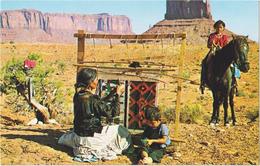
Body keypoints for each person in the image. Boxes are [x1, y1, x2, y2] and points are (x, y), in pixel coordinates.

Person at [58, 68, 132, 162]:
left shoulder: (78, 95)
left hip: (78, 137)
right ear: (90, 82)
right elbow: (114, 113)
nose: (97, 81)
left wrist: (112, 93)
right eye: (96, 79)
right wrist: (117, 94)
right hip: (91, 140)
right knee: (120, 129)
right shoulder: (92, 99)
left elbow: (99, 104)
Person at [200, 20, 230, 94]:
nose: (219, 29)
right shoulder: (212, 36)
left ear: (223, 28)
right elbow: (208, 45)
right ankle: (203, 82)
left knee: (232, 63)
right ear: (215, 28)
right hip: (213, 52)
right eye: (217, 27)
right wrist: (212, 44)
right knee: (204, 62)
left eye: (220, 27)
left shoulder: (225, 37)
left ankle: (234, 83)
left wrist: (222, 47)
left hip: (223, 54)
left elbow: (226, 46)